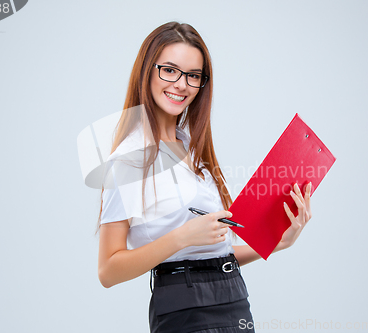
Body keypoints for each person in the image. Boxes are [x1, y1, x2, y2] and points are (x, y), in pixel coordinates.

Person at [96, 21, 312, 333]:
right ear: (147, 70)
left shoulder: (192, 148)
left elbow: (212, 255)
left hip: (233, 296)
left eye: (193, 76)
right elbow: (108, 270)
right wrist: (181, 237)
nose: (181, 84)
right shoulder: (130, 160)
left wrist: (277, 242)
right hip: (184, 309)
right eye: (169, 70)